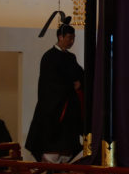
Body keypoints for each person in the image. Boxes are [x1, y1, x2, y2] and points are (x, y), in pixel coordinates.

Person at [25, 24, 84, 163]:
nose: (71, 41)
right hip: (52, 107)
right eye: (69, 38)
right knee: (51, 140)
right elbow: (50, 83)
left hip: (69, 106)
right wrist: (71, 86)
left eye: (73, 38)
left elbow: (80, 75)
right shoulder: (49, 57)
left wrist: (81, 83)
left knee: (68, 141)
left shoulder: (71, 57)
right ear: (60, 36)